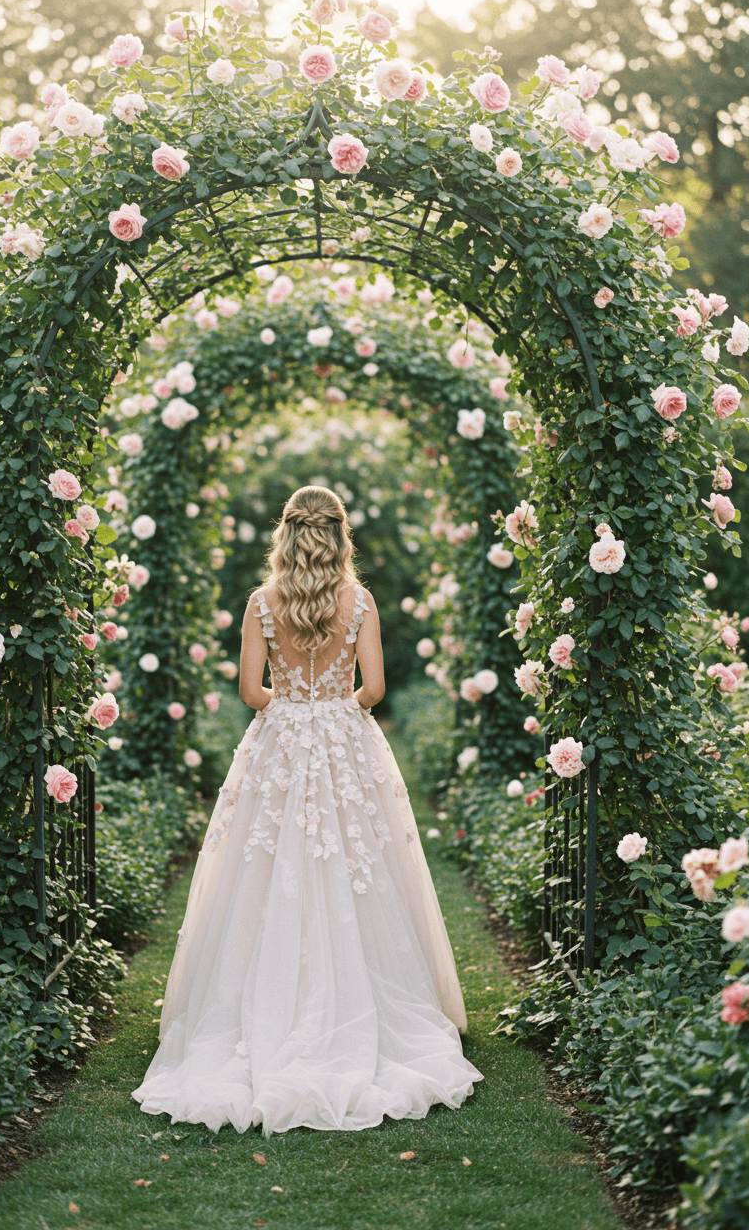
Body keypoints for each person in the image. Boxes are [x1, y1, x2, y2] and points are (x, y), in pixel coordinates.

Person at [132, 485, 483, 1133]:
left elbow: (248, 690)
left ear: (287, 535)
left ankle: (259, 1009)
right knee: (357, 864)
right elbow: (372, 689)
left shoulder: (263, 603)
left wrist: (293, 709)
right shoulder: (361, 601)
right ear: (340, 535)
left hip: (283, 739)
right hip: (345, 741)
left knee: (265, 864)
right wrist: (334, 711)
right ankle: (361, 1000)